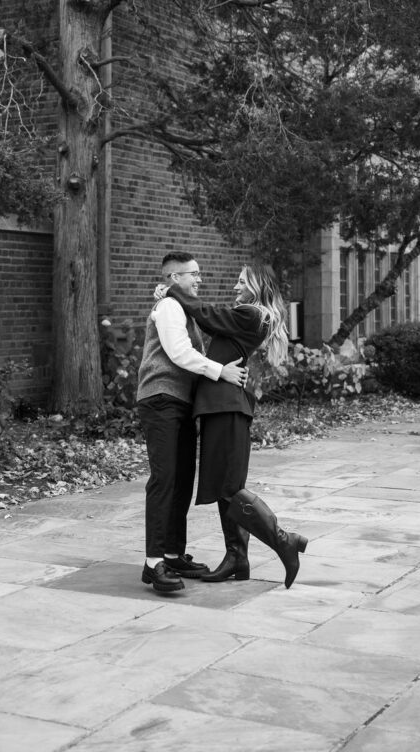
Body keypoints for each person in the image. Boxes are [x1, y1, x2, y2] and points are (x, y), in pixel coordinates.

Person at [155, 261, 308, 589]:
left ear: (257, 284)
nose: (236, 287)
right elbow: (209, 321)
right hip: (220, 406)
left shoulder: (252, 315)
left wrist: (173, 291)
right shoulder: (247, 316)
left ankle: (284, 540)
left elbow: (207, 314)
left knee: (230, 487)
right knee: (227, 486)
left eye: (242, 281)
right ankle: (237, 558)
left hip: (227, 406)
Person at [135, 250, 249, 595]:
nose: (199, 279)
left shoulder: (180, 306)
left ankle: (171, 554)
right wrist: (221, 371)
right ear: (174, 278)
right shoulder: (169, 307)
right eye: (193, 274)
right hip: (160, 399)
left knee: (182, 480)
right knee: (165, 479)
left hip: (179, 402)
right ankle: (154, 562)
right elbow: (179, 353)